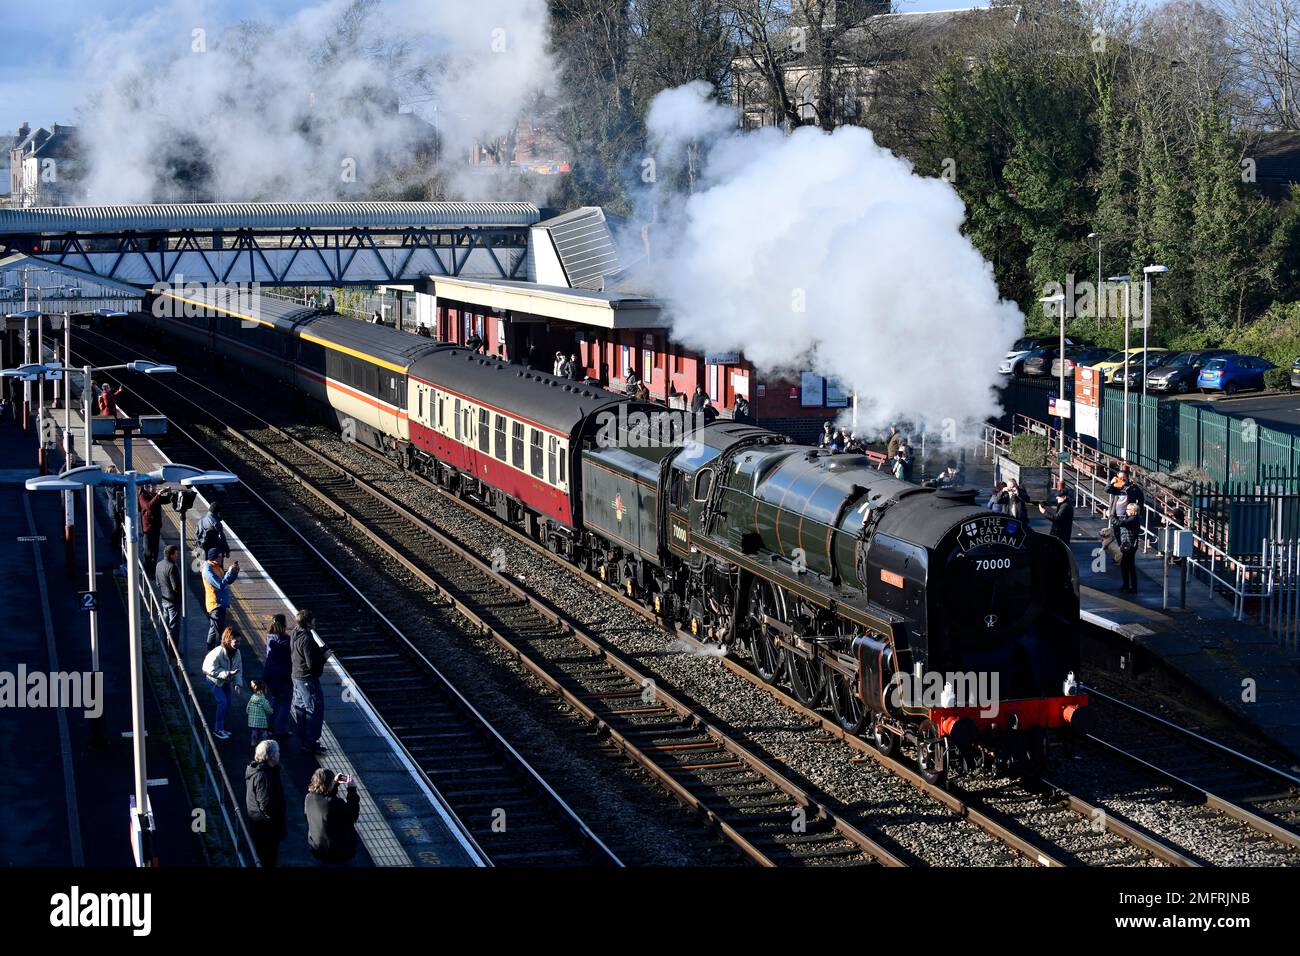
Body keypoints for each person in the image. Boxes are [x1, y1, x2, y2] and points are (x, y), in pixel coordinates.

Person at [291, 609, 331, 754]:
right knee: (314, 710)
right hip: (307, 679)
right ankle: (310, 742)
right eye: (313, 620)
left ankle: (303, 739)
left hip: (297, 676)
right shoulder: (307, 638)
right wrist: (325, 657)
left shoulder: (295, 632)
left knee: (301, 708)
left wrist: (319, 651)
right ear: (308, 622)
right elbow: (312, 665)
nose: (315, 622)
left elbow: (302, 654)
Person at [305, 767, 360, 865]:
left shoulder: (309, 798)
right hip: (338, 853)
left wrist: (334, 784)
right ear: (329, 784)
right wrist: (352, 790)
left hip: (318, 849)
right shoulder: (336, 803)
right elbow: (353, 815)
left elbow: (325, 798)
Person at [245, 739, 287, 867]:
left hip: (260, 826)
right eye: (278, 752)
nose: (279, 754)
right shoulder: (264, 777)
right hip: (266, 830)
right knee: (268, 860)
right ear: (271, 756)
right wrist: (277, 823)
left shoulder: (257, 772)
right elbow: (267, 806)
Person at [202, 627, 245, 740]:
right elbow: (206, 669)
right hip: (214, 681)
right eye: (236, 641)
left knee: (228, 703)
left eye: (239, 641)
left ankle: (221, 727)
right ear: (228, 640)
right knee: (222, 702)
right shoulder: (217, 652)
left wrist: (238, 683)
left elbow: (238, 669)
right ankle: (217, 729)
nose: (238, 644)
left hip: (225, 680)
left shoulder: (237, 653)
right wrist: (227, 673)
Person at [202, 548, 240, 650]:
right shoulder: (208, 570)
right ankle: (223, 651)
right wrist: (229, 573)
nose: (221, 558)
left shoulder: (217, 567)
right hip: (215, 604)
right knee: (222, 633)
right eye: (219, 556)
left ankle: (210, 649)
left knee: (213, 629)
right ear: (213, 557)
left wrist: (234, 573)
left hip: (221, 603)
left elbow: (226, 582)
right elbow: (220, 585)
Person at [263, 613, 293, 738]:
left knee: (275, 700)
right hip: (283, 676)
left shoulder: (270, 637)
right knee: (285, 703)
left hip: (269, 675)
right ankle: (281, 729)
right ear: (285, 624)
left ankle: (270, 725)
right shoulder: (286, 640)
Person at [137, 483, 169, 567]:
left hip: (156, 526)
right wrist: (158, 495)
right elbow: (148, 506)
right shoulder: (142, 496)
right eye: (149, 486)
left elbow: (166, 500)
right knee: (147, 550)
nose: (152, 488)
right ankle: (147, 568)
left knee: (155, 550)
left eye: (154, 485)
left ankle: (153, 566)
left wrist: (169, 493)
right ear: (145, 487)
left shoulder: (154, 495)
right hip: (148, 528)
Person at [155, 545, 181, 642]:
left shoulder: (159, 565)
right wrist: (180, 595)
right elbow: (176, 587)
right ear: (171, 555)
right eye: (176, 554)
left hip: (164, 599)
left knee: (165, 625)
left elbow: (158, 583)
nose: (177, 556)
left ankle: (165, 645)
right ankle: (173, 650)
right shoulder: (172, 567)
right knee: (174, 626)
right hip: (173, 601)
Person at [1117, 501, 1142, 593]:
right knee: (1128, 566)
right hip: (1130, 545)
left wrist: (1111, 517)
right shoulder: (1134, 518)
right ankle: (1128, 586)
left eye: (1128, 509)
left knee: (1127, 566)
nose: (1126, 510)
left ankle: (1128, 587)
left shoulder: (1133, 519)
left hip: (1130, 546)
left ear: (1133, 510)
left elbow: (1121, 523)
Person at [246, 679, 274, 747]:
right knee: (263, 732)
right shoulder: (264, 700)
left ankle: (253, 741)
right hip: (261, 721)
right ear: (263, 690)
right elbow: (268, 710)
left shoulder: (252, 699)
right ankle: (263, 743)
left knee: (254, 732)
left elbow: (247, 708)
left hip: (252, 721)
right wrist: (271, 711)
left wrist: (249, 713)